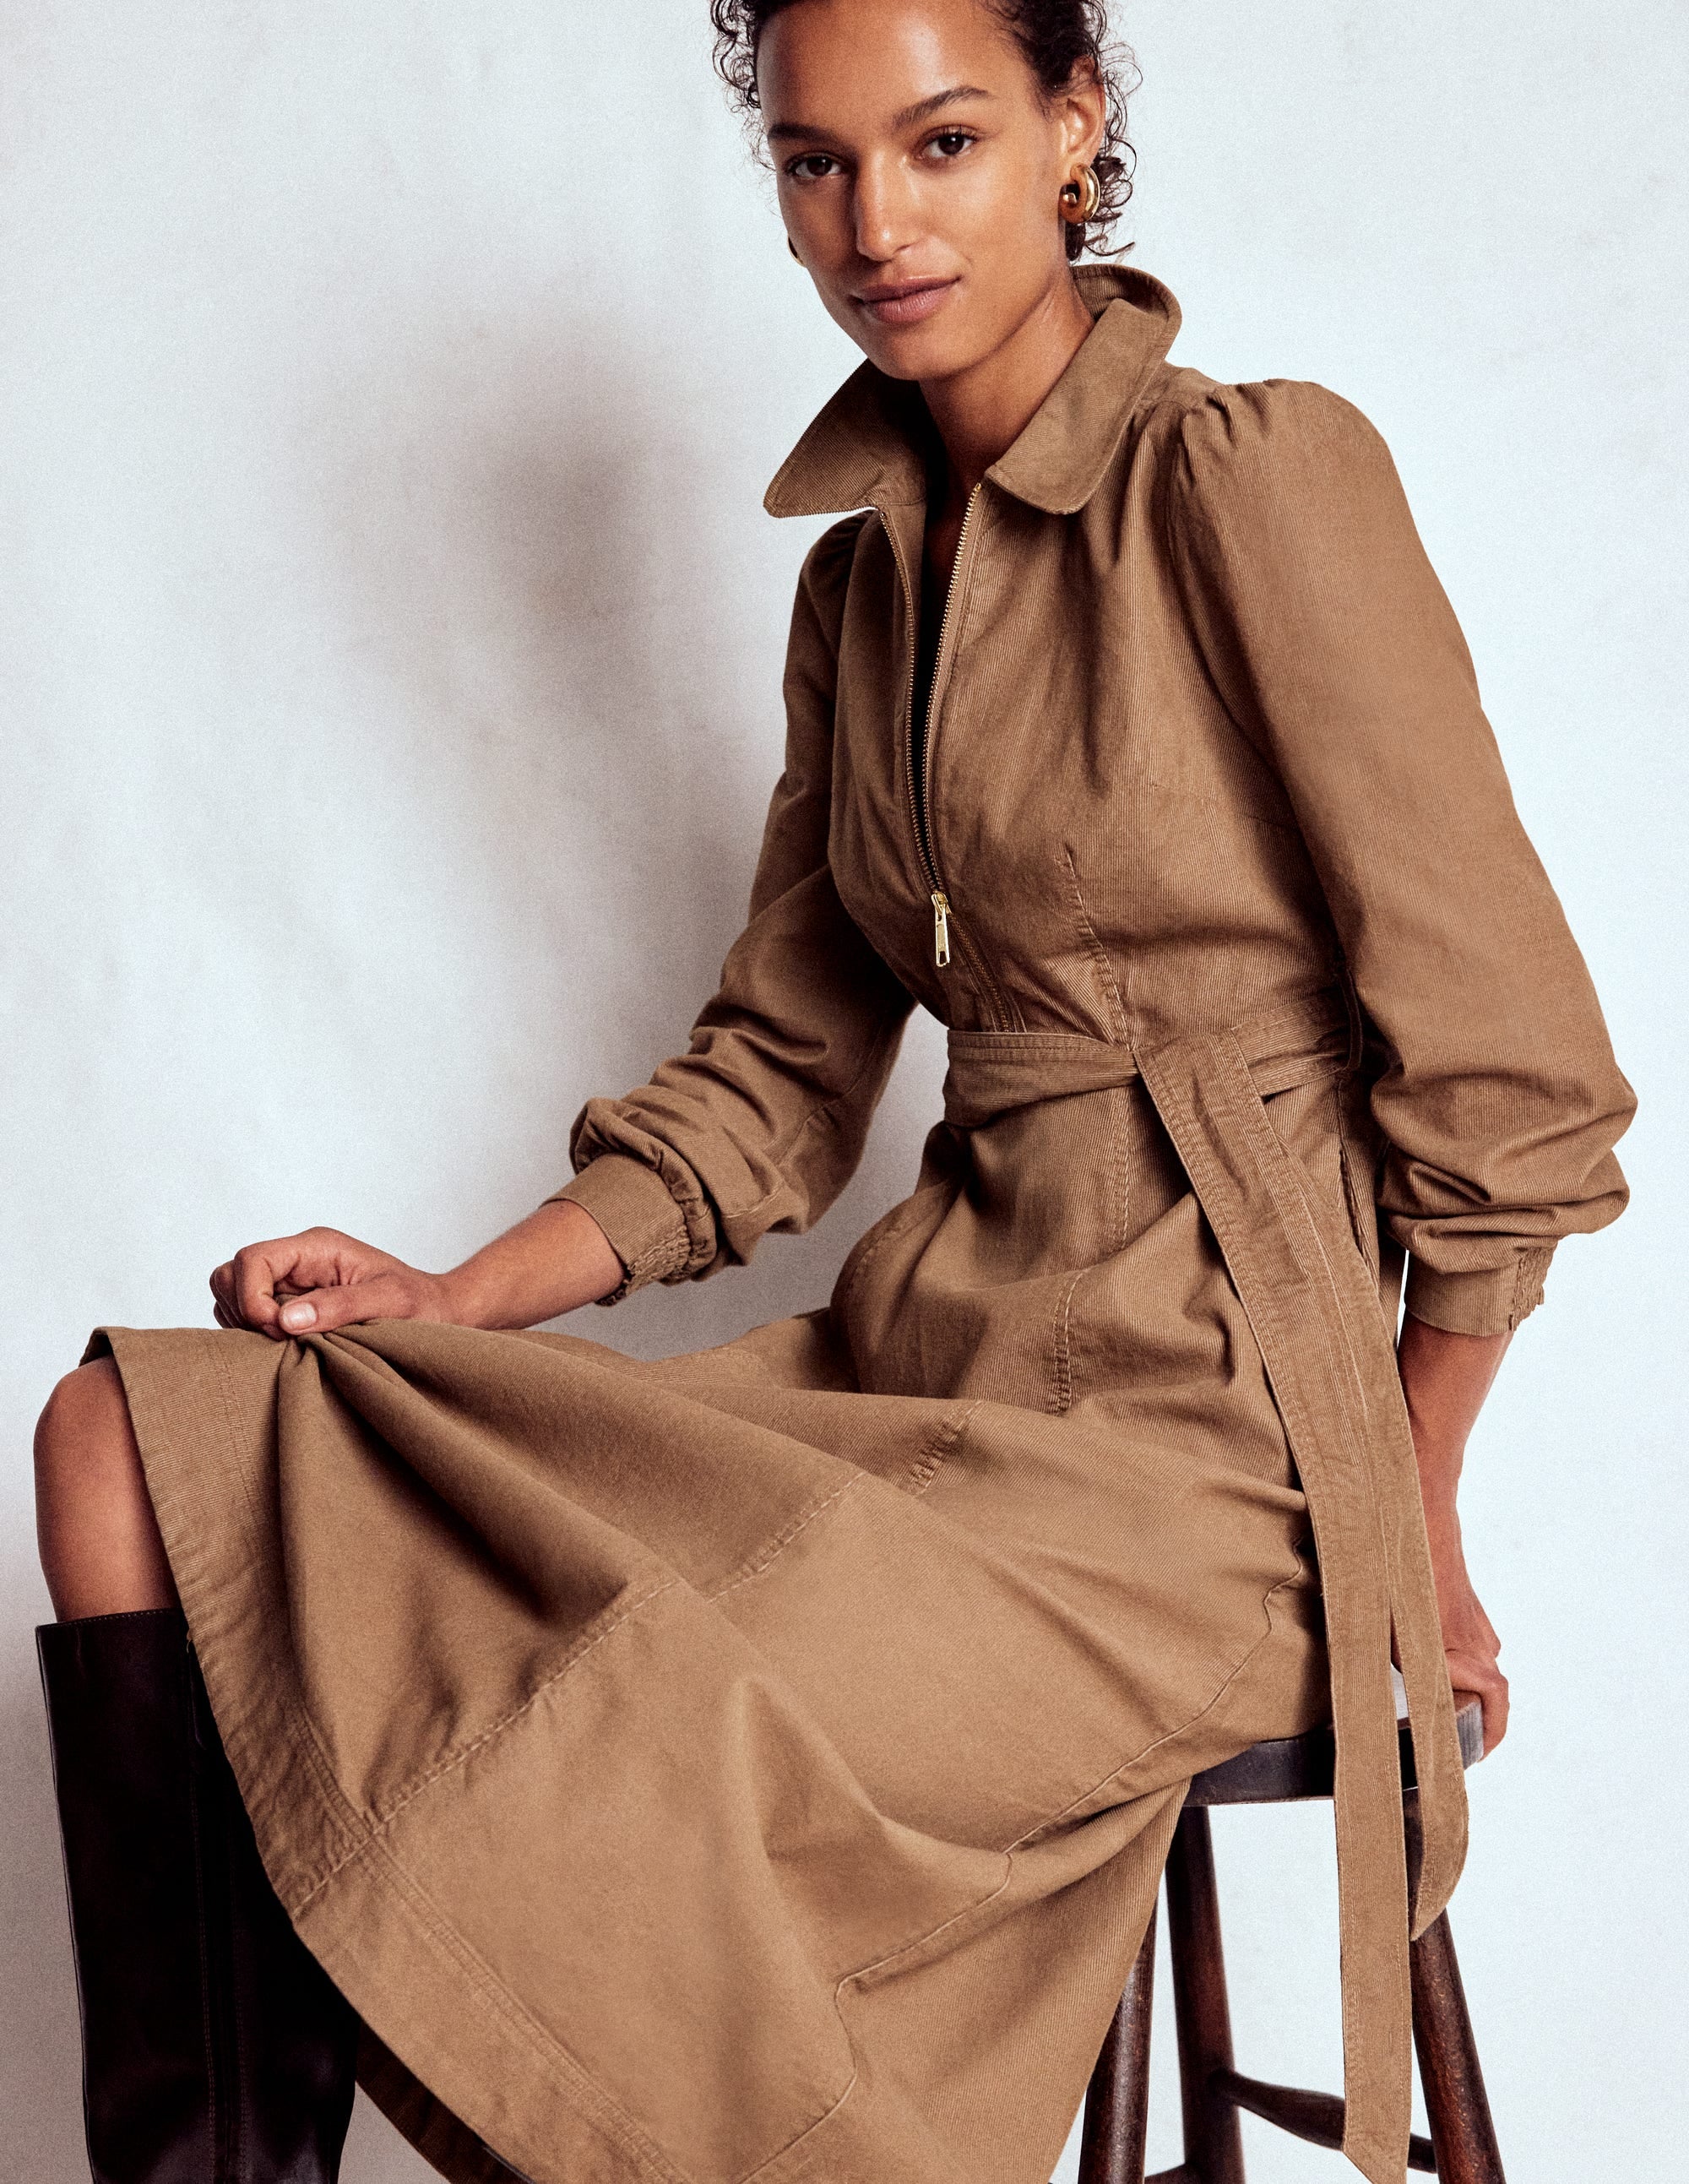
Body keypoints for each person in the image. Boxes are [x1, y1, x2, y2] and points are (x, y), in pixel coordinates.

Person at [32, 3, 1634, 2181]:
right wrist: (454, 1298)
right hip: (924, 1374)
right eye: (815, 162)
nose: (877, 220)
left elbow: (1516, 1067)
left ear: (1077, 130)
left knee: (592, 1727)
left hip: (1219, 1458)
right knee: (136, 1434)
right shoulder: (861, 588)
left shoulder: (1256, 480)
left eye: (944, 139)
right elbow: (781, 1076)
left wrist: (1410, 1520)